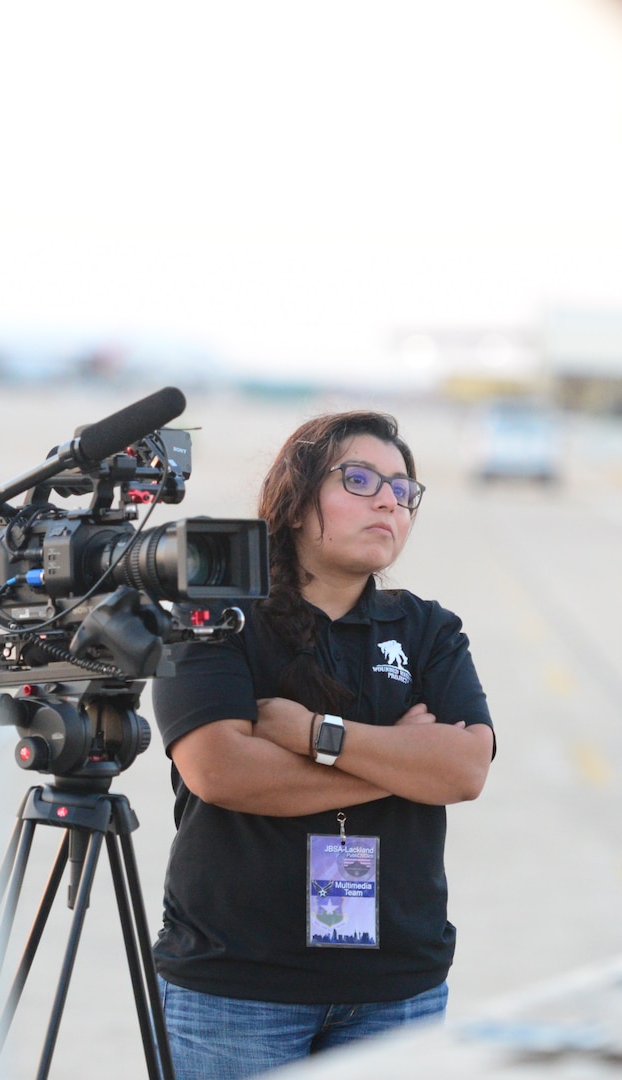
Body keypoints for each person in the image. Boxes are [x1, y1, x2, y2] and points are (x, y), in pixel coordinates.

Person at [149, 410, 496, 1079]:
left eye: (402, 489)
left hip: (396, 990)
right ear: (297, 497)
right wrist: (399, 758)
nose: (388, 501)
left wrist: (316, 736)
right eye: (361, 479)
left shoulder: (426, 629)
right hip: (238, 989)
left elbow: (464, 769)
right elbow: (219, 769)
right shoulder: (219, 611)